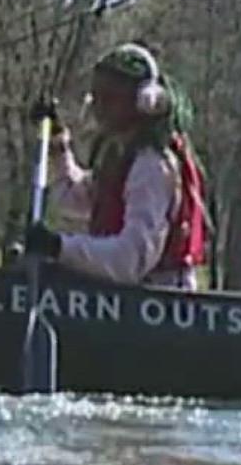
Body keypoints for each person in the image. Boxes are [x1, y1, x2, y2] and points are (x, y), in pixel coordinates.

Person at [14, 42, 209, 290]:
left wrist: (59, 247)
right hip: (120, 297)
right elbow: (73, 200)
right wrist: (57, 144)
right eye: (97, 96)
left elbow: (129, 260)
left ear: (144, 101)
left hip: (157, 301)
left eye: (111, 98)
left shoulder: (153, 166)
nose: (99, 108)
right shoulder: (118, 155)